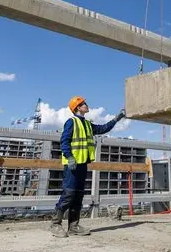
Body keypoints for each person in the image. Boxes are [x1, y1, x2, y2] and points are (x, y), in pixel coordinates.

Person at [50, 96, 126, 237]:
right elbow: (64, 141)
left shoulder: (87, 124)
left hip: (82, 165)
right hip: (72, 165)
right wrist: (69, 157)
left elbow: (103, 128)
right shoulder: (71, 122)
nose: (86, 105)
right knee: (68, 194)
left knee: (78, 196)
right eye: (84, 104)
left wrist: (117, 118)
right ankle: (55, 224)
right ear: (78, 107)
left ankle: (73, 226)